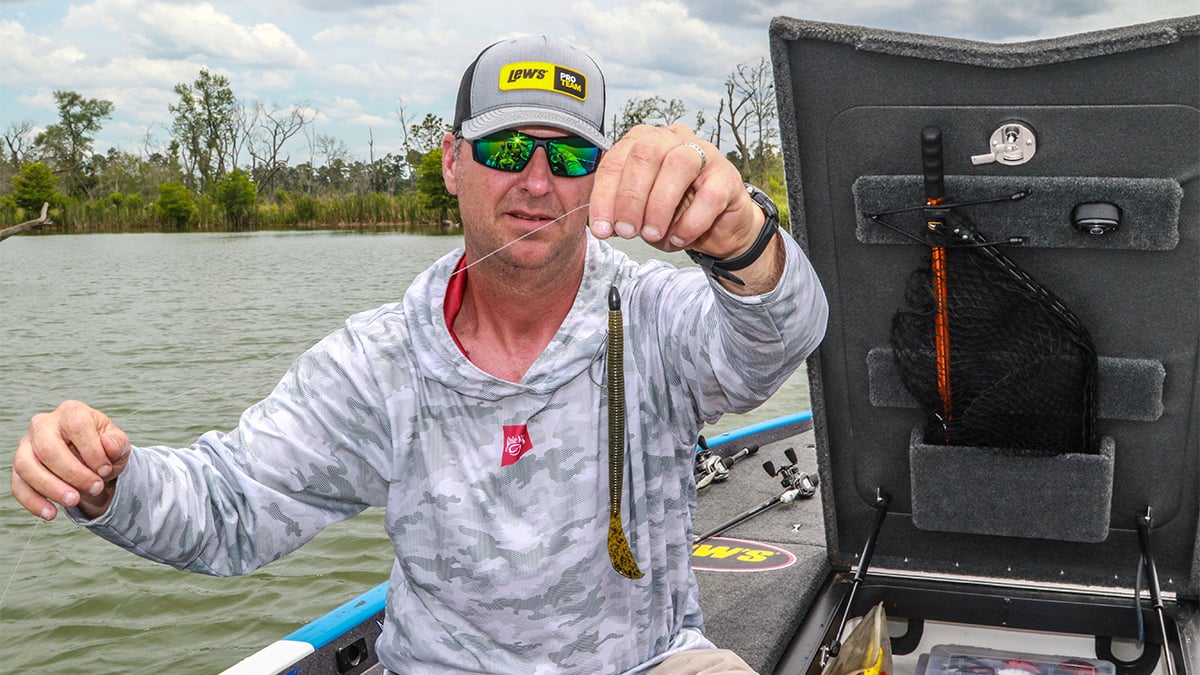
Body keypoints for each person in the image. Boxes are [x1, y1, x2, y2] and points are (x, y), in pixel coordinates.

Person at [10, 35, 827, 674]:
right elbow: (230, 508)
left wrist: (744, 239)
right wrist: (108, 480)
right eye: (508, 150)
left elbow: (781, 337)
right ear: (450, 161)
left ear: (597, 178)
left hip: (653, 660)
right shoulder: (378, 361)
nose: (538, 181)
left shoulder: (653, 315)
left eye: (570, 155)